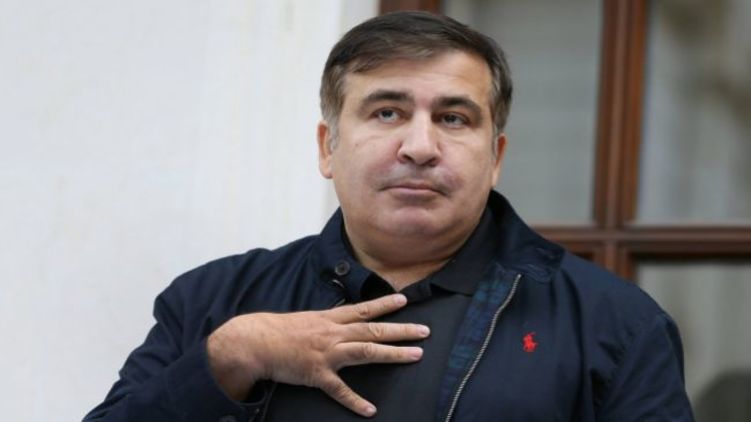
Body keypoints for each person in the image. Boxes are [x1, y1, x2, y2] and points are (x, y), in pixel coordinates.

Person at [84, 11, 694, 422]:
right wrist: (228, 359)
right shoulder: (213, 303)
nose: (420, 147)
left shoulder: (614, 325)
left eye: (453, 118)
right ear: (328, 147)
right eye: (386, 113)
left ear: (496, 157)